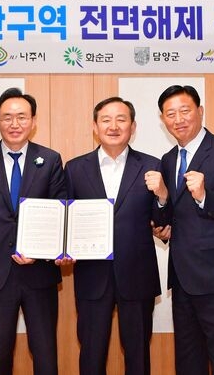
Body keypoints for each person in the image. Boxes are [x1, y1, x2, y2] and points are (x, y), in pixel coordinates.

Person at [0, 87, 66, 375]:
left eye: (21, 116)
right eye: (7, 117)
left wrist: (42, 253)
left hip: (39, 272)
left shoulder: (50, 159)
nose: (14, 124)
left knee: (45, 355)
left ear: (33, 121)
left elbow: (59, 212)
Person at [151, 84, 214, 375]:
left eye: (185, 111)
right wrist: (163, 207)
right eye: (170, 114)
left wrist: (205, 196)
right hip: (184, 279)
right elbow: (174, 215)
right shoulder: (169, 159)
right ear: (163, 119)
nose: (178, 119)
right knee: (188, 361)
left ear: (200, 111)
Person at [64, 96, 168, 375]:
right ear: (95, 126)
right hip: (91, 276)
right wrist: (63, 249)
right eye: (106, 120)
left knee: (138, 355)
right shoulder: (74, 168)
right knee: (91, 354)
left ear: (133, 127)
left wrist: (162, 195)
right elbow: (66, 220)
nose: (113, 126)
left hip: (137, 275)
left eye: (121, 120)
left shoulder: (153, 166)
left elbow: (163, 224)